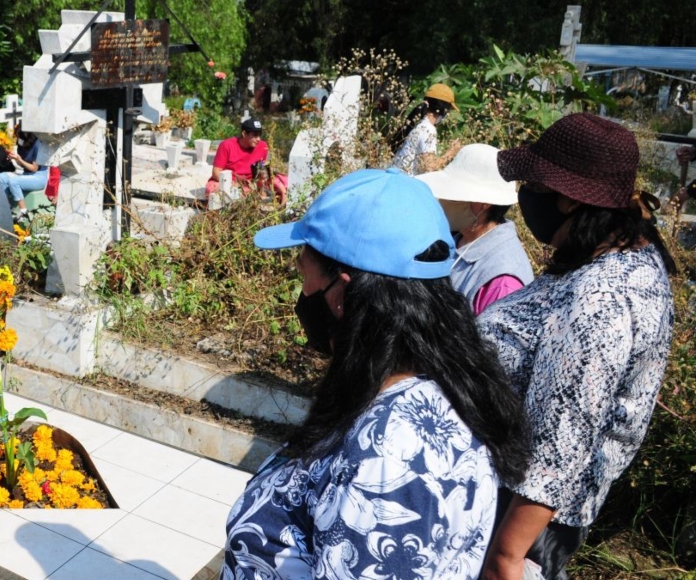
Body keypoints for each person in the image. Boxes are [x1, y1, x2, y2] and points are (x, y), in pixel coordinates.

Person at [223, 167, 530, 579]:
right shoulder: (430, 386)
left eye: (303, 274)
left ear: (342, 293)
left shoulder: (392, 456)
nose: (302, 292)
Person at [478, 113, 676, 580]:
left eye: (533, 184)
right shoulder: (620, 255)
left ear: (567, 199)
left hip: (518, 516)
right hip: (519, 503)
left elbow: (560, 443)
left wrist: (505, 557)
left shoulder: (599, 299)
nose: (525, 194)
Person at [417, 143, 534, 314]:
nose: (442, 200)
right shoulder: (456, 238)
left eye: (452, 196)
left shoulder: (501, 281)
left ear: (483, 203)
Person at [206, 118, 288, 204]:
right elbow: (216, 173)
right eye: (255, 135)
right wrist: (235, 184)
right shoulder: (227, 145)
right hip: (229, 183)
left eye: (260, 135)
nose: (258, 139)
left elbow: (261, 172)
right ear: (244, 134)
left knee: (285, 181)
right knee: (213, 190)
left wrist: (264, 189)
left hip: (250, 185)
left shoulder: (262, 146)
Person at [390, 83, 462, 175]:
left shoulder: (416, 124)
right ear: (443, 110)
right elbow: (430, 167)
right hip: (407, 180)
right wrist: (451, 152)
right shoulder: (428, 129)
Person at [0, 129, 48, 221]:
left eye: (19, 136)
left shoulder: (37, 145)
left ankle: (23, 212)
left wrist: (19, 159)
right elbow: (22, 165)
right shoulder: (21, 145)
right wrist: (14, 158)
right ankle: (6, 206)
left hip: (38, 176)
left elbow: (34, 168)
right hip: (26, 174)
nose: (17, 138)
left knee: (13, 181)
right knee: (2, 177)